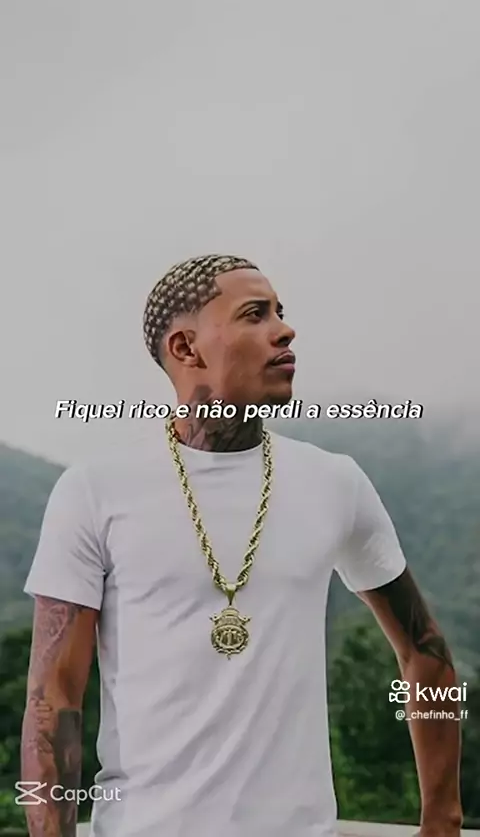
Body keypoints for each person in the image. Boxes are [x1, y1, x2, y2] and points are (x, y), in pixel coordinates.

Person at [21, 254, 462, 837]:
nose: (285, 330)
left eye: (280, 312)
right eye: (255, 315)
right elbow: (54, 700)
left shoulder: (336, 482)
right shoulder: (95, 490)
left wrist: (443, 819)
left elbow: (426, 653)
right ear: (186, 348)